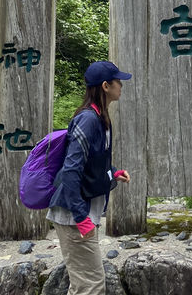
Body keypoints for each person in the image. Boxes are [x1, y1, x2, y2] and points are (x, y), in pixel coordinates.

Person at [47, 60, 131, 294]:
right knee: (91, 285)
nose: (121, 86)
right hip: (74, 214)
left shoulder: (100, 118)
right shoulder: (88, 119)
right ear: (106, 86)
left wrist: (112, 173)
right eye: (118, 82)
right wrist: (81, 216)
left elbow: (93, 160)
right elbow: (72, 169)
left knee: (84, 284)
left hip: (79, 211)